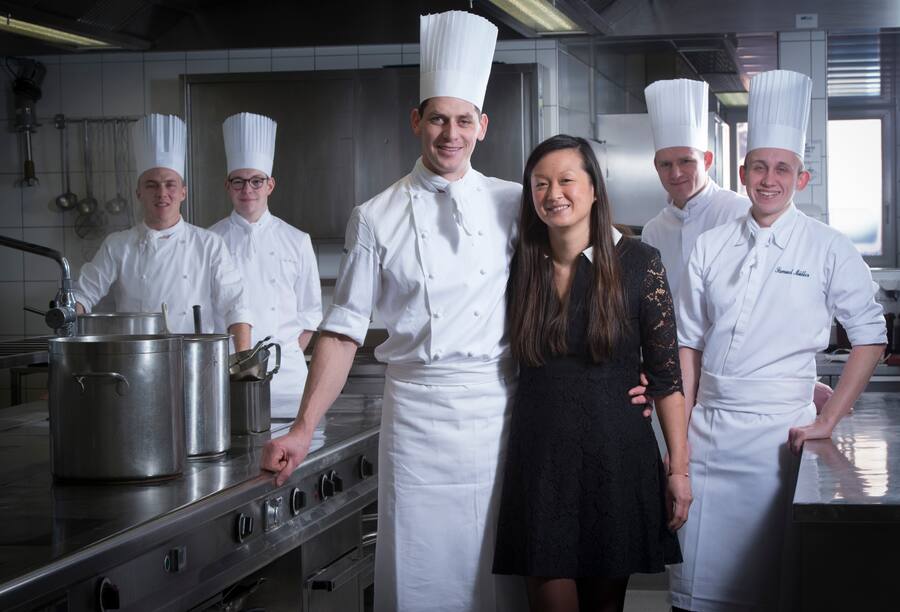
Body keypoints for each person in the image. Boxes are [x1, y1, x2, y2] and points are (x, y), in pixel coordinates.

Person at [671, 69, 886, 612]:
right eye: (760, 166)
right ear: (742, 172)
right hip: (709, 431)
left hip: (777, 440)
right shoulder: (711, 245)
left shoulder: (829, 248)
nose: (770, 179)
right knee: (697, 583)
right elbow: (689, 345)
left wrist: (829, 419)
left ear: (802, 179)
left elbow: (871, 337)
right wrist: (682, 438)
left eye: (783, 169)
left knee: (770, 585)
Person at [492, 135, 691, 612]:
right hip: (538, 461)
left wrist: (679, 470)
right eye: (540, 184)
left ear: (595, 189)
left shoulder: (640, 263)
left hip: (614, 456)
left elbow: (666, 380)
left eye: (565, 180)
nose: (552, 193)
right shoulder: (518, 265)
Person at [75, 114, 251, 350]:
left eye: (170, 184)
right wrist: (69, 314)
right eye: (151, 185)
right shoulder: (118, 244)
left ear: (183, 192)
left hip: (196, 360)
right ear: (138, 192)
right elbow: (83, 294)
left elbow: (235, 305)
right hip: (136, 359)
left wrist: (242, 361)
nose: (161, 193)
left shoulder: (209, 243)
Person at [209, 112, 322, 416]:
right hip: (226, 379)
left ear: (270, 185)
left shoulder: (297, 240)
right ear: (227, 185)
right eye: (239, 182)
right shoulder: (208, 241)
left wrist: (284, 353)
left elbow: (310, 313)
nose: (248, 190)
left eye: (256, 181)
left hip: (289, 382)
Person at [641, 78, 747, 304]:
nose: (676, 173)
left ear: (707, 160)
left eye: (686, 161)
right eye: (665, 164)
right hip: (672, 340)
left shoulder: (740, 212)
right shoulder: (653, 231)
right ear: (655, 166)